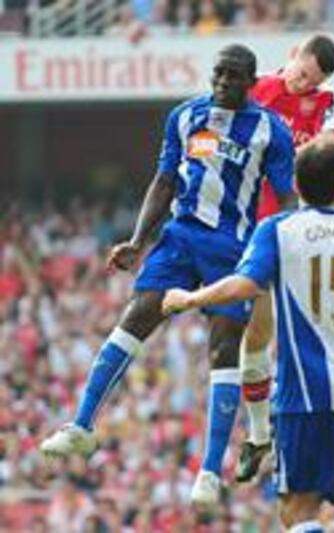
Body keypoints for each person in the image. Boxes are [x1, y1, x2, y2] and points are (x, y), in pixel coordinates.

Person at [40, 44, 295, 507]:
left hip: (232, 245)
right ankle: (80, 426)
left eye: (233, 76)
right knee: (137, 315)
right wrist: (138, 242)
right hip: (179, 238)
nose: (222, 82)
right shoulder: (184, 116)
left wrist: (282, 248)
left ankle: (210, 471)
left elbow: (286, 197)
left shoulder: (269, 130)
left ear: (251, 81)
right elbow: (164, 181)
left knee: (224, 346)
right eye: (218, 73)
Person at [161, 140, 334, 532]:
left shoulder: (278, 229)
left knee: (298, 509)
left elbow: (246, 285)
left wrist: (188, 297)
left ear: (295, 183)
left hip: (305, 393)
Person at [235, 33, 334, 484]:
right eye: (302, 73)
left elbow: (324, 148)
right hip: (256, 228)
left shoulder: (328, 99)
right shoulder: (257, 89)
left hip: (304, 229)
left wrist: (281, 151)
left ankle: (294, 440)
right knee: (256, 336)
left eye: (314, 79)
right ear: (292, 57)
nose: (305, 85)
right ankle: (259, 435)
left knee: (308, 338)